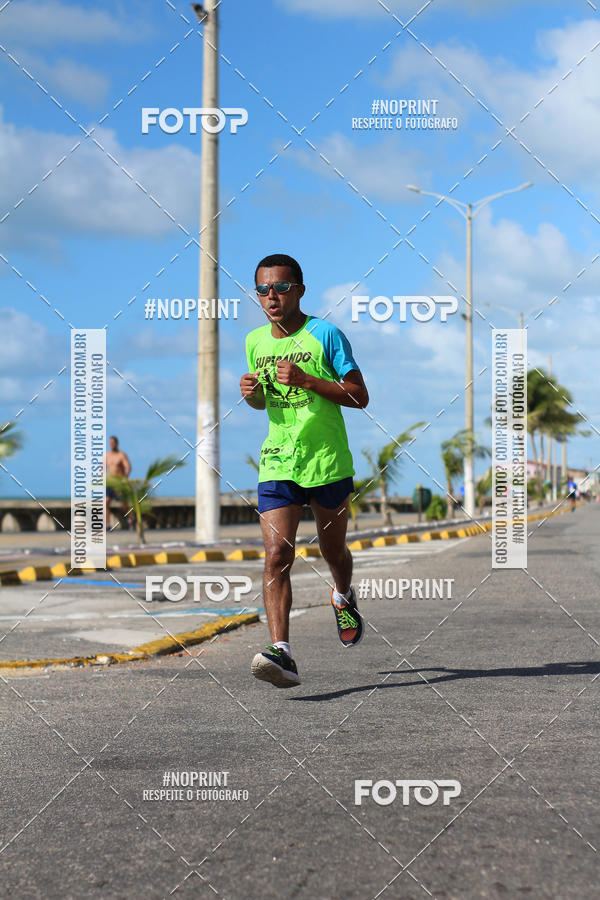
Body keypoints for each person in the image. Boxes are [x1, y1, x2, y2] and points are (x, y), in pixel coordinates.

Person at [240, 253, 369, 688]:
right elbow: (264, 402)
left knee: (334, 552)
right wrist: (252, 394)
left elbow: (359, 396)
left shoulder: (326, 335)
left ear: (299, 290)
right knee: (278, 555)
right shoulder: (255, 341)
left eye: (280, 288)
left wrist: (308, 380)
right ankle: (282, 652)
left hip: (327, 460)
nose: (271, 297)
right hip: (278, 460)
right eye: (263, 290)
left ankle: (343, 595)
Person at [104, 436, 132, 528]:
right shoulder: (107, 455)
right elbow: (102, 468)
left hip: (119, 483)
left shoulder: (121, 455)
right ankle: (107, 524)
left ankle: (131, 519)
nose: (111, 444)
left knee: (124, 504)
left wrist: (124, 478)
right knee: (106, 501)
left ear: (116, 443)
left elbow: (128, 467)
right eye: (110, 443)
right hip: (110, 483)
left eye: (113, 443)